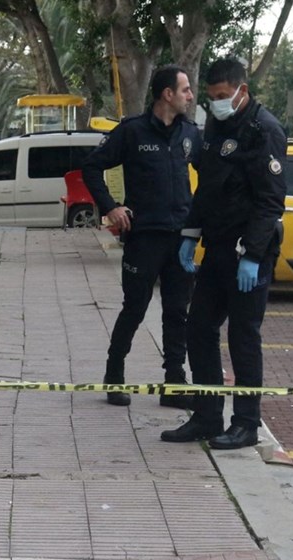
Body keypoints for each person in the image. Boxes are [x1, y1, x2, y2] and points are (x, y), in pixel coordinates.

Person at [161, 57, 287, 449]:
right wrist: (189, 234)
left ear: (241, 91)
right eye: (211, 96)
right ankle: (207, 415)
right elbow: (209, 185)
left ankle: (246, 423)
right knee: (198, 329)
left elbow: (270, 202)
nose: (215, 103)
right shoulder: (215, 124)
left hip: (249, 252)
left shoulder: (264, 131)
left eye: (221, 96)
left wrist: (252, 254)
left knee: (243, 338)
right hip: (215, 247)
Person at [82, 65, 202, 408]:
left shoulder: (191, 134)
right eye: (185, 90)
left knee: (177, 312)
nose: (190, 96)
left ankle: (174, 384)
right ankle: (114, 375)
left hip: (181, 239)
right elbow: (92, 167)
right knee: (134, 308)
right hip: (144, 238)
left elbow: (210, 177)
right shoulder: (132, 131)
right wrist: (111, 207)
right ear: (167, 94)